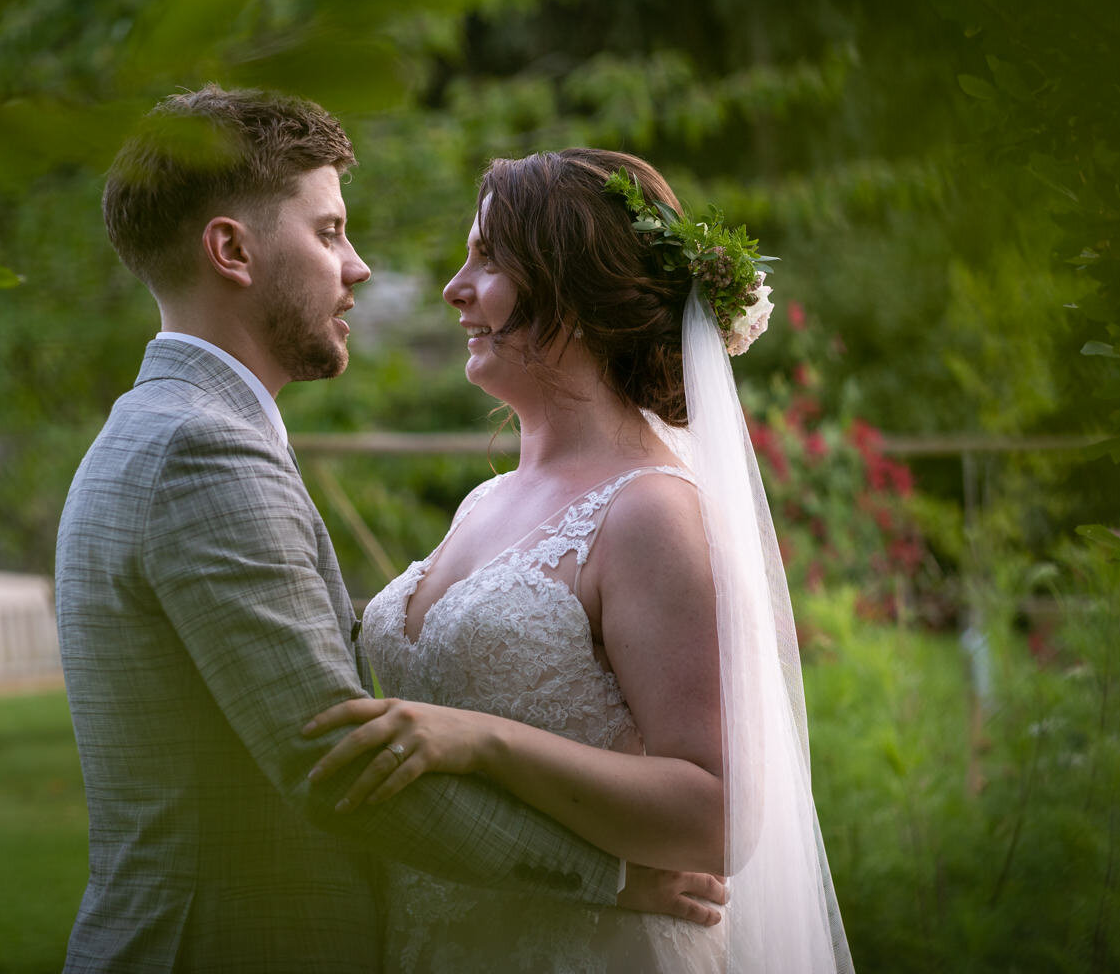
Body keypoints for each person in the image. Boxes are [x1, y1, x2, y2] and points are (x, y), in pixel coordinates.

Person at [55, 90, 719, 973]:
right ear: (231, 249)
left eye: (488, 257)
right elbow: (339, 765)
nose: (362, 266)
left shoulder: (159, 428)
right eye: (328, 231)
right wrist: (606, 876)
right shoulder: (201, 449)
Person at [305, 149, 854, 972]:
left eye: (488, 260)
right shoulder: (484, 502)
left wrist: (482, 740)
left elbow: (720, 818)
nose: (455, 288)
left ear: (574, 293)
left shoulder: (652, 513)